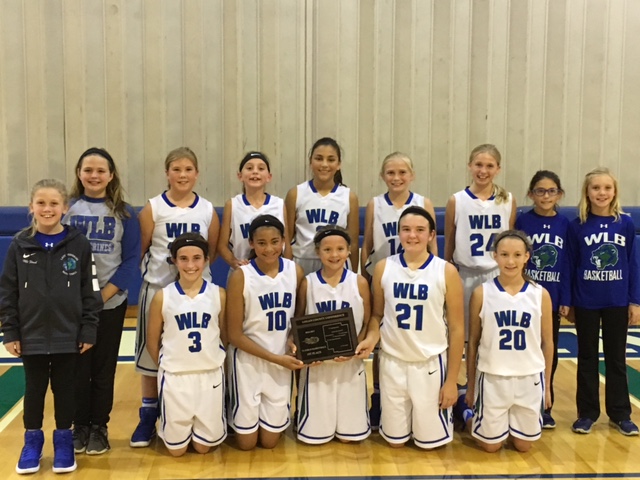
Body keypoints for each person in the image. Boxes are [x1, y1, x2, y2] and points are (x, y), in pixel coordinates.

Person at [0, 179, 102, 474]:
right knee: (33, 390)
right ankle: (32, 442)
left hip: (67, 334)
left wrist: (88, 328)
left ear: (65, 207)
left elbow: (90, 290)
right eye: (41, 203)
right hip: (30, 334)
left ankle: (64, 442)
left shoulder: (79, 244)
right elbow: (8, 292)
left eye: (54, 203)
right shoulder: (19, 244)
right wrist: (11, 331)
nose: (48, 209)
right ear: (31, 207)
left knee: (65, 390)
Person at [131, 147, 220, 448]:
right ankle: (148, 415)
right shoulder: (153, 208)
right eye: (176, 169)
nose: (182, 175)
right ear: (167, 173)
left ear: (197, 173)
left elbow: (212, 251)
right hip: (158, 289)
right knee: (151, 355)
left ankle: (202, 410)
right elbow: (141, 248)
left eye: (188, 169)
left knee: (196, 353)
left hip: (197, 293)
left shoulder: (207, 210)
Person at [357, 206, 464, 449]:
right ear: (399, 233)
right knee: (395, 443)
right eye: (406, 229)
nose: (412, 235)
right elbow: (377, 315)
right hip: (392, 363)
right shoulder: (384, 267)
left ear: (431, 235)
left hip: (429, 364)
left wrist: (451, 381)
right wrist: (371, 339)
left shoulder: (446, 271)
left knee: (430, 445)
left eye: (419, 230)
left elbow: (457, 329)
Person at [65, 147, 141, 454]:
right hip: (72, 306)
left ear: (111, 176)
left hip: (109, 304)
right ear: (79, 173)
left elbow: (131, 260)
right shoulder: (67, 209)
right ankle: (79, 426)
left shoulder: (124, 213)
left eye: (100, 171)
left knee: (103, 369)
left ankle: (99, 427)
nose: (94, 176)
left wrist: (101, 297)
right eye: (88, 170)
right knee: (76, 370)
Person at [360, 151, 438, 429]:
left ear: (412, 175)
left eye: (402, 172)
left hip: (417, 276)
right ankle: (379, 396)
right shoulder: (375, 204)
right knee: (382, 338)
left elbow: (433, 245)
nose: (396, 177)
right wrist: (366, 277)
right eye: (391, 173)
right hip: (385, 277)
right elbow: (367, 244)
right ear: (382, 176)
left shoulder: (423, 203)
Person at [561, 167, 640, 436]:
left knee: (616, 359)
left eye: (607, 188)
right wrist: (568, 300)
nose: (601, 193)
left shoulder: (625, 224)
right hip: (586, 301)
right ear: (587, 192)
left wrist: (635, 301)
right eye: (596, 188)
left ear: (614, 192)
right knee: (587, 358)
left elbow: (632, 264)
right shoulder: (577, 226)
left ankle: (620, 414)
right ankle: (587, 414)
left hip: (616, 301)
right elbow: (570, 264)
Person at [463, 230, 553, 452]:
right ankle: (465, 414)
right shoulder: (482, 293)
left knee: (523, 445)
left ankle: (508, 425)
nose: (510, 261)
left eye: (517, 255)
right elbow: (472, 342)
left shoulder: (540, 294)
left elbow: (548, 343)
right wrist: (471, 385)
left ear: (526, 257)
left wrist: (547, 385)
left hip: (529, 377)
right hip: (493, 377)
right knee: (490, 446)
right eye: (504, 254)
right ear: (494, 256)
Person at [226, 215, 305, 450]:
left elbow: (297, 319)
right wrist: (275, 358)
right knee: (247, 444)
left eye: (274, 241)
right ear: (251, 243)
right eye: (261, 243)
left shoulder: (295, 271)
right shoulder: (241, 276)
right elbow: (234, 335)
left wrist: (291, 339)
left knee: (270, 442)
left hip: (281, 363)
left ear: (283, 241)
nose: (269, 249)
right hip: (248, 363)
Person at [146, 233, 227, 456]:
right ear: (174, 260)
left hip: (209, 375)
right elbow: (152, 341)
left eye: (196, 258)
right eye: (183, 258)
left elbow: (224, 335)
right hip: (175, 377)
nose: (190, 265)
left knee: (203, 448)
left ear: (206, 260)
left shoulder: (218, 294)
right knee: (177, 450)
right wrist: (166, 366)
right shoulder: (163, 297)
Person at [295, 226, 371, 444]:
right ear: (317, 252)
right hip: (318, 367)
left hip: (350, 364)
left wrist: (356, 346)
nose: (334, 254)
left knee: (349, 438)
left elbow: (367, 322)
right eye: (327, 249)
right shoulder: (308, 283)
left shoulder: (359, 282)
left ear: (349, 251)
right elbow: (299, 321)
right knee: (315, 439)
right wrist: (305, 351)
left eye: (340, 249)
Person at [514, 170, 569, 429]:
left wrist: (566, 298)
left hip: (552, 298)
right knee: (522, 350)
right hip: (524, 296)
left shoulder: (566, 224)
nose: (546, 196)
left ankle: (545, 405)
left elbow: (568, 264)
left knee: (549, 351)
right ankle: (519, 403)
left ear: (559, 194)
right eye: (540, 191)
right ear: (531, 194)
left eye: (551, 191)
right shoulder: (522, 221)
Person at [444, 144, 516, 339]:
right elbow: (449, 242)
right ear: (470, 166)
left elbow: (510, 242)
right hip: (465, 274)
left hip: (497, 273)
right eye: (478, 165)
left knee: (494, 333)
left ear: (498, 169)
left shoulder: (507, 200)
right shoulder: (457, 200)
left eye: (489, 166)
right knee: (463, 334)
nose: (483, 171)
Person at [285, 137, 359, 275]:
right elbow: (287, 239)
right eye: (319, 158)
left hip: (336, 263)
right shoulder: (296, 194)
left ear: (339, 164)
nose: (324, 164)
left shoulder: (349, 197)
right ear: (310, 162)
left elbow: (353, 244)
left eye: (331, 160)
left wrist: (353, 276)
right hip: (303, 261)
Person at [218, 151, 292, 275]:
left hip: (273, 271)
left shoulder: (278, 204)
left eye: (261, 168)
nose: (255, 172)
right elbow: (222, 246)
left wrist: (286, 270)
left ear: (269, 177)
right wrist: (234, 262)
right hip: (242, 272)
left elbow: (287, 244)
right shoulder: (233, 204)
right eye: (249, 168)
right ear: (240, 176)